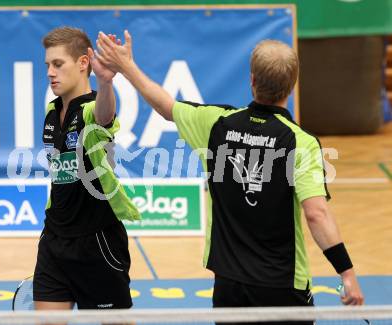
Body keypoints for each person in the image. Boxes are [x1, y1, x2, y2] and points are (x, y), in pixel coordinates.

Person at [96, 31, 364, 322]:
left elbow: (165, 106)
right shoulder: (301, 142)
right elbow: (316, 214)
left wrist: (126, 66)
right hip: (283, 286)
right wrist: (346, 272)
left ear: (251, 80)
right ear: (293, 83)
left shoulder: (216, 124)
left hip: (229, 286)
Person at [34, 26, 140, 316]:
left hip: (97, 242)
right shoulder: (51, 112)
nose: (50, 72)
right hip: (54, 239)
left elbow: (104, 116)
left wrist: (106, 84)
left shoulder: (93, 109)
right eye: (48, 65)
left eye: (58, 64)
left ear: (83, 63)